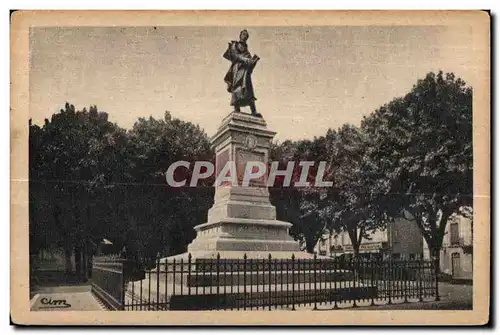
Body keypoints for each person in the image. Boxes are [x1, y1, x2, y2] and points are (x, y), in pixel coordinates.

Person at [223, 30, 261, 117]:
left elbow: (250, 60)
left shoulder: (246, 48)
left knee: (248, 90)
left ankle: (253, 111)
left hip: (245, 71)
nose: (245, 36)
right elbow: (235, 55)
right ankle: (237, 109)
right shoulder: (235, 44)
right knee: (237, 88)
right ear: (240, 35)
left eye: (246, 35)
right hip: (237, 69)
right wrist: (245, 59)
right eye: (243, 34)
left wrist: (253, 61)